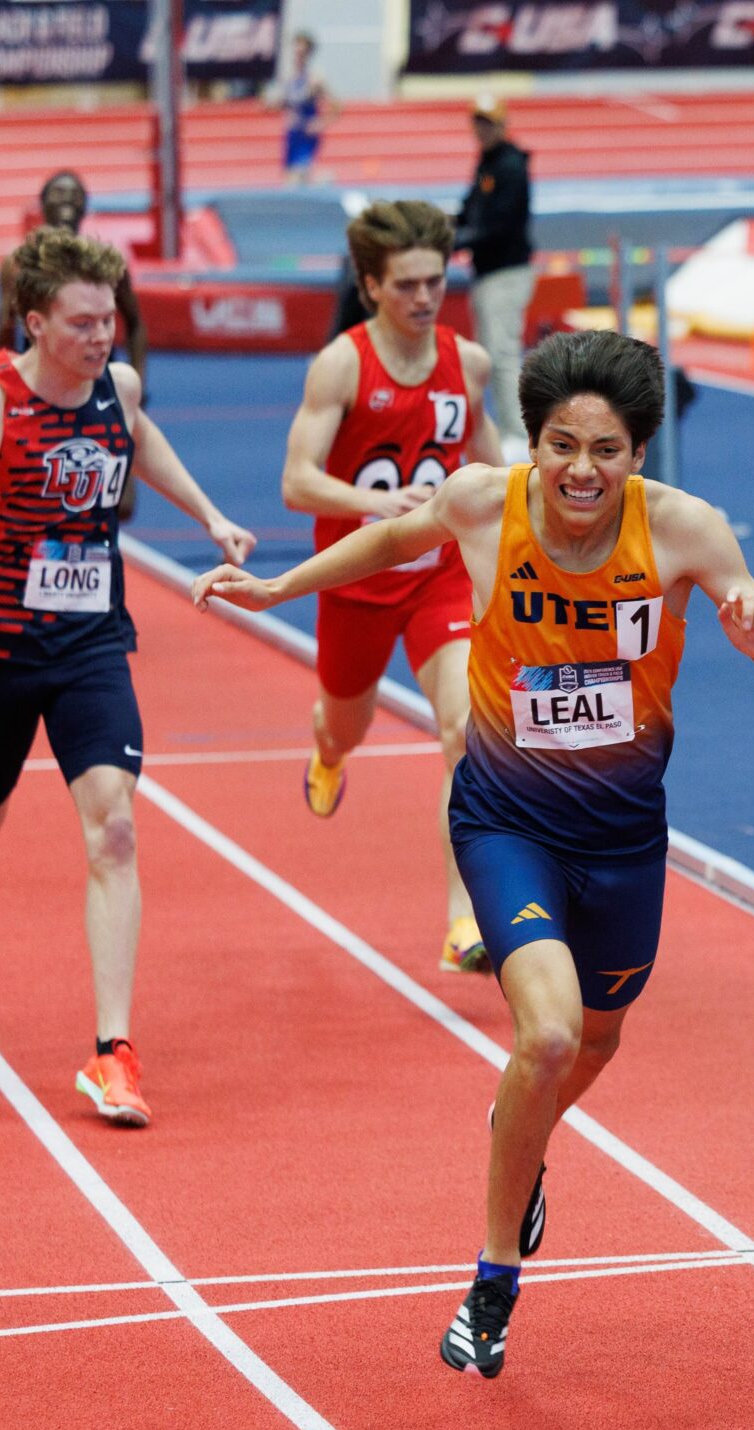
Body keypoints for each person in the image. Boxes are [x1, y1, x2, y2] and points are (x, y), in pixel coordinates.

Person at [191, 329, 754, 1378]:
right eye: (563, 445)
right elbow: (392, 541)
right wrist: (281, 588)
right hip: (506, 822)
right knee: (548, 1034)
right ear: (534, 442)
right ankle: (492, 1282)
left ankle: (515, 1130)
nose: (582, 470)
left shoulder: (688, 533)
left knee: (594, 1047)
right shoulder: (489, 502)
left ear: (641, 453)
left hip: (624, 836)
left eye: (607, 450)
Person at [0, 227, 257, 1128]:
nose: (103, 336)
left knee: (115, 827)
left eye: (110, 317)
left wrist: (209, 513)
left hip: (90, 648)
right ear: (35, 323)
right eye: (82, 322)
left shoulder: (114, 387)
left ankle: (113, 1054)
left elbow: (141, 435)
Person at [283, 200, 505, 974]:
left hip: (439, 579)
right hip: (358, 578)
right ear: (372, 285)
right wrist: (374, 504)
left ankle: (462, 921)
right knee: (348, 721)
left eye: (434, 281)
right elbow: (296, 480)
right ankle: (328, 746)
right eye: (406, 284)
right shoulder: (342, 364)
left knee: (464, 733)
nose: (423, 297)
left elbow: (490, 461)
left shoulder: (466, 362)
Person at [0, 173, 148, 394]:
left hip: (98, 385)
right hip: (41, 386)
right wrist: (6, 386)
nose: (67, 200)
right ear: (43, 204)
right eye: (58, 194)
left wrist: (138, 383)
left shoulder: (106, 262)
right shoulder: (18, 265)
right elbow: (4, 333)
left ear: (85, 206)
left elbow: (135, 324)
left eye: (75, 196)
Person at [457, 94, 534, 462]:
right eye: (478, 123)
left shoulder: (510, 166)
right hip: (488, 271)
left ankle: (517, 434)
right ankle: (502, 428)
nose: (483, 130)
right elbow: (469, 211)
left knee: (502, 354)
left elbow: (498, 224)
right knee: (490, 353)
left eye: (489, 123)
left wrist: (459, 240)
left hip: (506, 272)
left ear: (502, 125)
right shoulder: (486, 163)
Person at [273, 31, 334, 185]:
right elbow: (284, 104)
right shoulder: (289, 77)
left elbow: (337, 106)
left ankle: (325, 183)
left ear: (308, 54)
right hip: (292, 133)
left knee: (298, 179)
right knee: (288, 179)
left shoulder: (314, 79)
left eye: (302, 52)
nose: (298, 55)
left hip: (307, 134)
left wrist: (321, 123)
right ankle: (323, 183)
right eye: (296, 51)